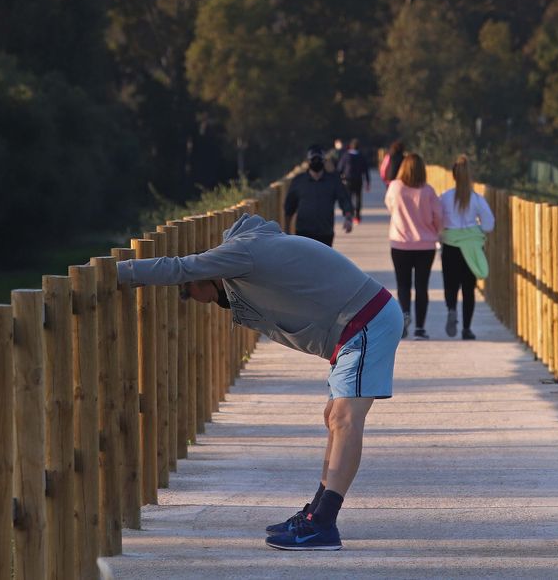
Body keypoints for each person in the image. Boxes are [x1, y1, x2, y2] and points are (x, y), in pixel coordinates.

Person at [116, 213, 404, 552]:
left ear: (206, 278)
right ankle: (315, 513)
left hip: (366, 323)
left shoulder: (242, 253)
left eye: (194, 293)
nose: (204, 302)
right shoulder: (249, 255)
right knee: (333, 417)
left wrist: (118, 272)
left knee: (345, 420)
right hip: (357, 326)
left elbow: (179, 267)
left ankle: (323, 525)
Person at [385, 152, 443, 339]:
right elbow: (438, 216)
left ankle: (404, 314)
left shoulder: (395, 187)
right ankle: (420, 328)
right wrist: (436, 231)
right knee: (421, 286)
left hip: (400, 244)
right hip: (425, 245)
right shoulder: (428, 191)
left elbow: (390, 206)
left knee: (403, 284)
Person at [437, 154, 495, 341]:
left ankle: (451, 309)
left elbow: (438, 220)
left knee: (450, 284)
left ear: (453, 176)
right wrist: (476, 230)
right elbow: (489, 224)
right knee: (468, 289)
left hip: (450, 245)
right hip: (471, 247)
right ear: (470, 176)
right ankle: (467, 329)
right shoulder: (477, 199)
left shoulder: (445, 197)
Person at [283, 145, 354, 246]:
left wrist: (348, 219)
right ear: (308, 161)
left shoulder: (333, 181)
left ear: (324, 161)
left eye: (319, 159)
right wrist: (286, 231)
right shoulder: (298, 181)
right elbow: (289, 208)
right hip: (303, 233)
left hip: (325, 233)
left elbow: (345, 200)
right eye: (313, 159)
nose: (316, 162)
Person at [335, 138, 371, 222]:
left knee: (349, 197)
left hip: (348, 180)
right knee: (358, 198)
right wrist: (368, 182)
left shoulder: (345, 156)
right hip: (358, 180)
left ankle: (350, 213)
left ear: (350, 146)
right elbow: (366, 170)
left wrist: (338, 179)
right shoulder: (361, 156)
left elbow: (340, 168)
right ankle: (357, 216)